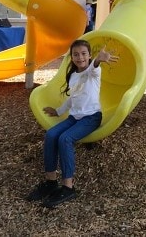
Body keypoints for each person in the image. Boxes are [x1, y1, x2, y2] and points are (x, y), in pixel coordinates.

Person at [26, 40, 119, 208]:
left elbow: (93, 67)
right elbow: (72, 98)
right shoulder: (74, 75)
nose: (80, 57)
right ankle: (51, 181)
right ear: (71, 57)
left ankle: (68, 186)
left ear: (89, 55)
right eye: (76, 54)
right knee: (51, 134)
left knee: (65, 139)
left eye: (84, 54)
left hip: (91, 117)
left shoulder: (94, 72)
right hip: (74, 117)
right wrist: (58, 111)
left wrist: (98, 60)